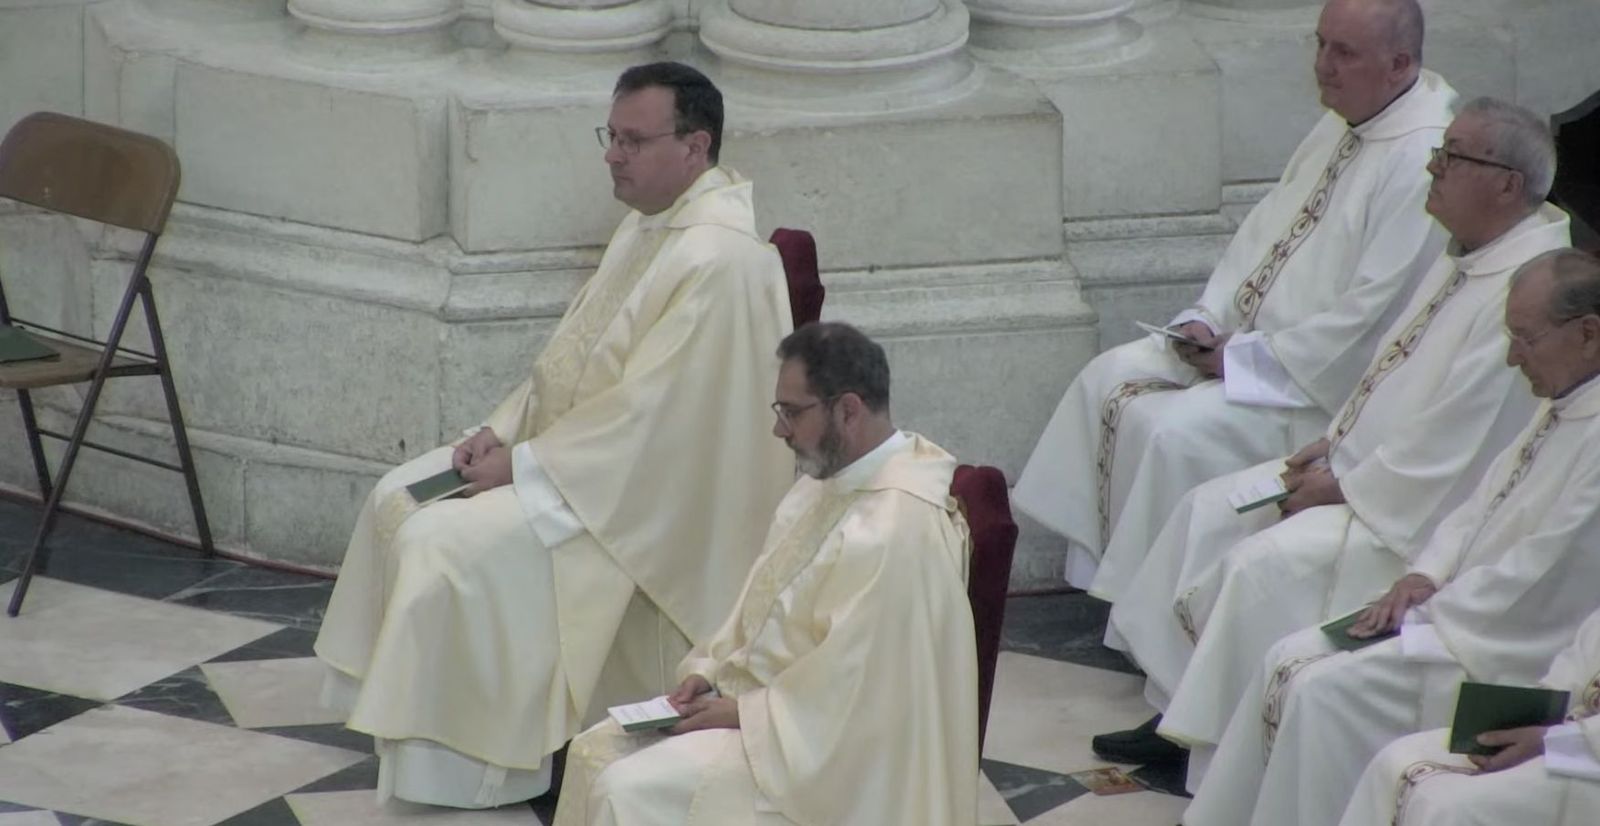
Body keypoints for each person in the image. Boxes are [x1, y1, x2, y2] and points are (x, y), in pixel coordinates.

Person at [311, 62, 795, 808]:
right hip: (581, 461)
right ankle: (414, 736)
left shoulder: (719, 259)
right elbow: (570, 360)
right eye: (611, 136)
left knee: (447, 548)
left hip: (639, 503)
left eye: (633, 140)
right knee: (398, 495)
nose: (612, 154)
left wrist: (525, 465)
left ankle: (470, 768)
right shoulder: (650, 228)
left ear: (695, 147)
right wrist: (496, 432)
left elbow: (655, 423)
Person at [1095, 97, 1570, 765]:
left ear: (1505, 184)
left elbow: (1456, 440)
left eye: (1452, 156)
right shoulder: (1470, 248)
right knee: (1208, 509)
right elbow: (1396, 364)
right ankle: (1181, 712)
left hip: (1405, 516)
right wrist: (1336, 439)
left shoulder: (1527, 288)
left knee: (1253, 566)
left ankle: (1209, 749)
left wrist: (1343, 482)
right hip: (1360, 467)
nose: (1432, 167)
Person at [1012, 0, 1453, 592]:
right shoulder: (1346, 118)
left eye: (1343, 52)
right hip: (1245, 348)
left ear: (1399, 63)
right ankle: (1108, 594)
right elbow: (1263, 232)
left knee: (1174, 434)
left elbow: (1373, 319)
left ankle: (1150, 606)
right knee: (1106, 377)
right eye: (1319, 44)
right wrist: (1204, 316)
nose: (1323, 66)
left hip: (1310, 388)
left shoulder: (1422, 160)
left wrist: (1246, 359)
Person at [1181, 248, 1600, 826]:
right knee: (1289, 659)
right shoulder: (1567, 401)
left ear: (1588, 334)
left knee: (1321, 691)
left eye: (1525, 339)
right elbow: (1480, 504)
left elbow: (1538, 571)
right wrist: (1423, 574)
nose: (1511, 357)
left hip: (1495, 644)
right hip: (1458, 612)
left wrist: (1431, 614)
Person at [553, 322, 979, 826]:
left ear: (848, 410)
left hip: (816, 757)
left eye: (792, 413)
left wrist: (742, 713)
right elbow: (758, 605)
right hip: (768, 716)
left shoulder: (897, 530)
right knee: (590, 751)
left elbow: (863, 701)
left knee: (626, 792)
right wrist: (705, 672)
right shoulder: (826, 483)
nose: (780, 430)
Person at [1337, 607, 1600, 826]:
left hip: (1589, 758)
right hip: (1573, 730)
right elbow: (1577, 665)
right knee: (1394, 760)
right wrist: (1545, 708)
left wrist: (1561, 739)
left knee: (1448, 807)